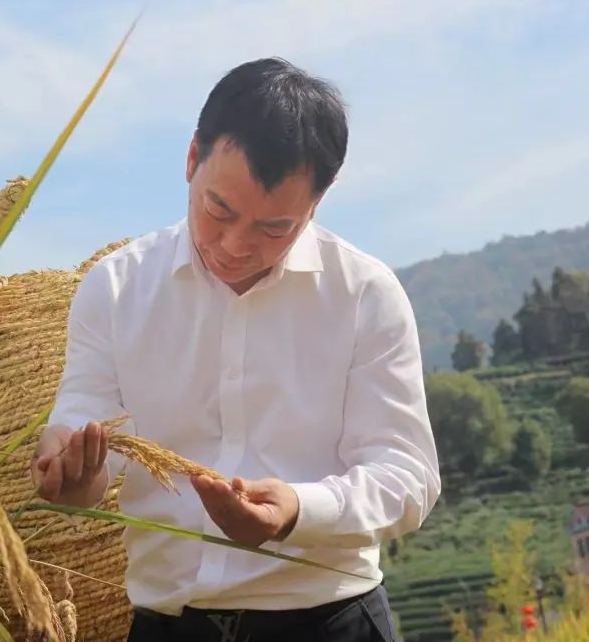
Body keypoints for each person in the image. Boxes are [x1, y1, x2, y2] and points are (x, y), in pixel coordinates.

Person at [31, 57, 441, 641]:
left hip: (332, 623)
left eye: (275, 229)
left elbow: (407, 477)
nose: (235, 245)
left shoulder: (364, 295)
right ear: (191, 159)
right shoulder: (115, 289)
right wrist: (75, 478)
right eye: (217, 210)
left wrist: (296, 510)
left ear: (318, 202)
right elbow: (87, 438)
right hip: (169, 628)